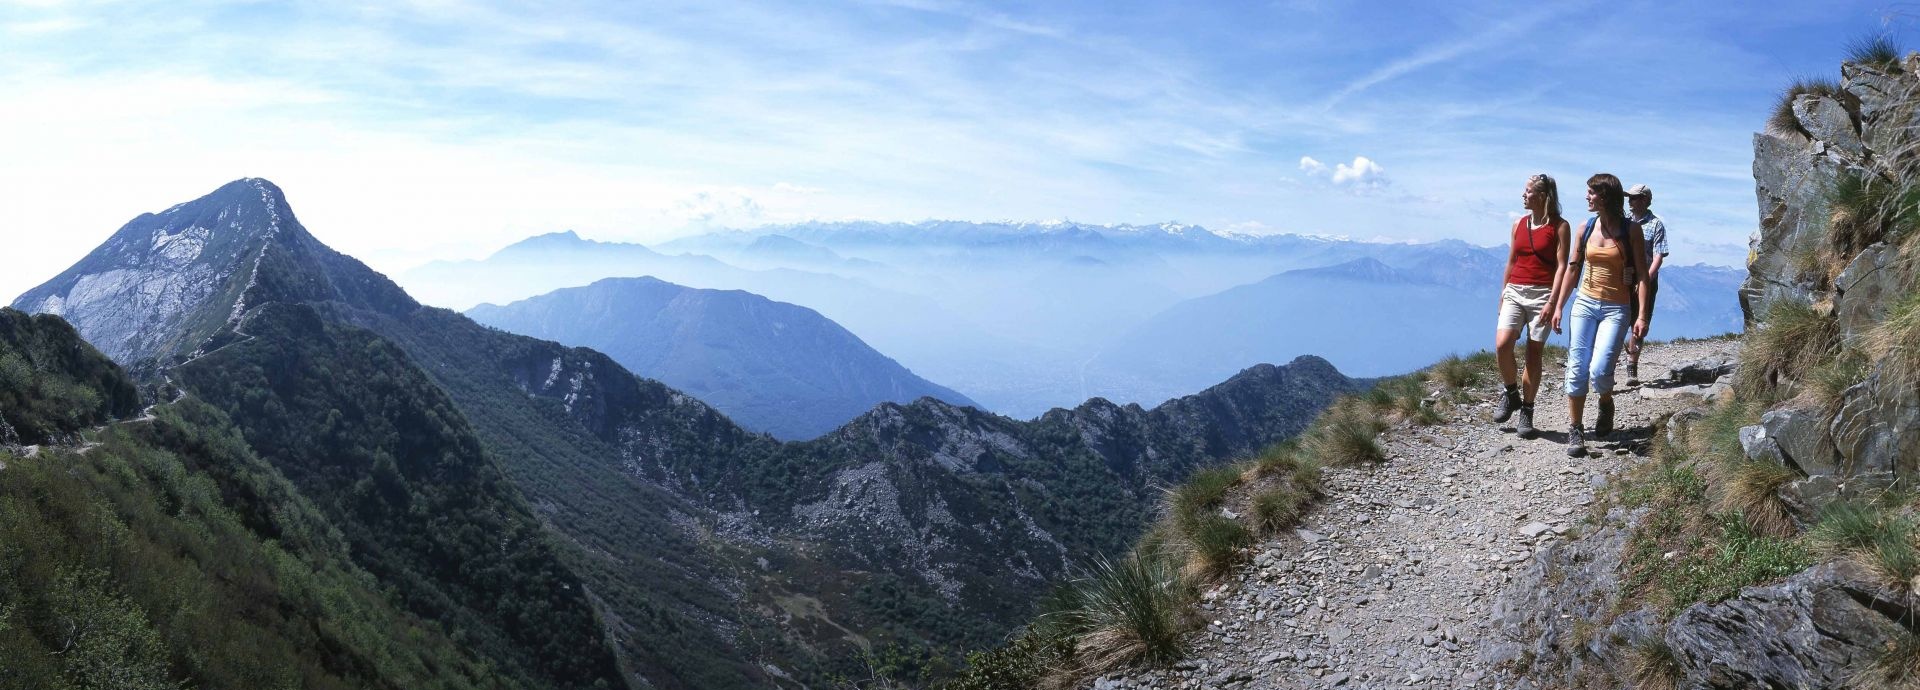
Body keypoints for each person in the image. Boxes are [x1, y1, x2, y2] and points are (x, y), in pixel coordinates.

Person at [1549, 174, 1652, 457]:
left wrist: (1641, 316)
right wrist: (1559, 305)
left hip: (1617, 308)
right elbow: (1573, 269)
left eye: (1591, 193)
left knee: (1599, 370)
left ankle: (1606, 401)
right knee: (1576, 366)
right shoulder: (1586, 227)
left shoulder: (1630, 230)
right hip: (1584, 303)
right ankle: (1576, 428)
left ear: (1605, 196)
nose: (1587, 197)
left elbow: (1642, 275)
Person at [1491, 174, 1570, 439]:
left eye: (1528, 192)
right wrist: (1504, 291)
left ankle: (1527, 409)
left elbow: (1562, 267)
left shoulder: (1560, 227)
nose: (1523, 195)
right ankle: (1511, 392)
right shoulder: (1518, 224)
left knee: (1533, 353)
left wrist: (1553, 302)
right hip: (1515, 289)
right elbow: (1511, 260)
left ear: (1543, 196)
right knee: (1503, 344)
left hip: (1542, 294)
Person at [1622, 184, 1670, 385]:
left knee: (1640, 322)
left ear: (1644, 200)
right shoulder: (1623, 222)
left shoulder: (1656, 224)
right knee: (1618, 318)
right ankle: (1607, 367)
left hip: (1646, 279)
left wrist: (1646, 279)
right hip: (1624, 278)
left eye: (1634, 198)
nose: (1630, 201)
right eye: (1629, 198)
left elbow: (1659, 255)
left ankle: (1632, 364)